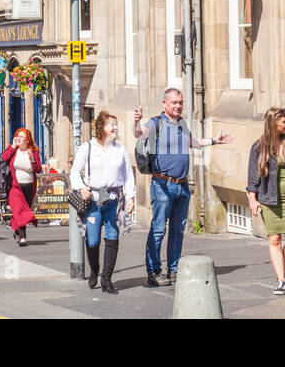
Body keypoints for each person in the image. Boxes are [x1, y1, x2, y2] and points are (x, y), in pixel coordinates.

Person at [134, 88, 233, 286]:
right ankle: (154, 271)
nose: (178, 106)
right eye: (174, 103)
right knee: (159, 229)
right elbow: (139, 133)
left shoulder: (182, 124)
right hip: (163, 184)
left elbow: (192, 142)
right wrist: (136, 120)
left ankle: (173, 269)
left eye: (180, 102)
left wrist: (214, 140)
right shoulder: (156, 123)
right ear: (165, 103)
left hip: (182, 186)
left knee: (178, 230)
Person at [71, 111, 136, 293]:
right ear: (101, 128)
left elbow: (127, 175)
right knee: (92, 240)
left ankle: (107, 279)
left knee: (112, 237)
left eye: (115, 124)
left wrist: (130, 197)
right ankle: (94, 270)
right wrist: (81, 187)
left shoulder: (120, 150)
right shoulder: (88, 147)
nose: (114, 127)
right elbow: (74, 171)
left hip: (114, 201)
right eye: (110, 124)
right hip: (93, 200)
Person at [246, 107, 285, 295]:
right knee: (274, 239)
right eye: (284, 122)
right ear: (273, 123)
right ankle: (281, 279)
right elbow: (252, 175)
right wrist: (252, 198)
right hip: (268, 198)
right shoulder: (259, 147)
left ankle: (284, 269)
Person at [0, 128, 42, 247]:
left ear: (27, 140)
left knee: (21, 210)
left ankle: (17, 231)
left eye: (22, 137)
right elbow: (3, 159)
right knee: (20, 210)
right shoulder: (13, 150)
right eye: (17, 136)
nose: (19, 138)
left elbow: (38, 169)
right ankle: (23, 237)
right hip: (14, 186)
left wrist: (32, 159)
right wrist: (13, 146)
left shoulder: (33, 151)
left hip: (29, 185)